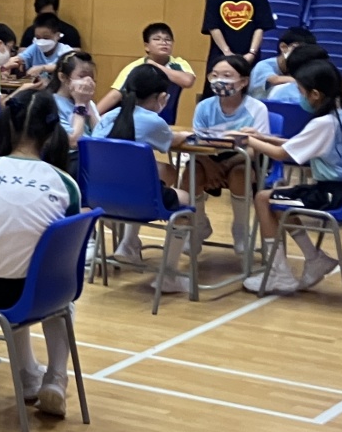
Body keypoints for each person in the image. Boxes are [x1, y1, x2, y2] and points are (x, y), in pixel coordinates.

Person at [0, 91, 84, 418]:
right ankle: (56, 377)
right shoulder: (65, 183)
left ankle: (26, 375)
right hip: (43, 294)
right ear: (52, 132)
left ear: (6, 124)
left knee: (6, 265)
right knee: (54, 293)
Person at [240, 61, 342, 296]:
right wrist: (263, 137)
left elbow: (281, 154)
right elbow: (297, 144)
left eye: (301, 91)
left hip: (333, 193)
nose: (300, 97)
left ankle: (279, 273)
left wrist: (247, 140)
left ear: (315, 94)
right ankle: (313, 257)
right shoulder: (340, 114)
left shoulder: (323, 123)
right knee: (281, 200)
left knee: (263, 199)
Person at [91, 62, 190, 279]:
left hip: (99, 197)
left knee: (165, 171)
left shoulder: (107, 117)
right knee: (186, 200)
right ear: (161, 97)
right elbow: (171, 140)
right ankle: (170, 275)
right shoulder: (154, 121)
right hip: (137, 200)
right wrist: (182, 134)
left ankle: (129, 243)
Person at [190, 53, 271, 257]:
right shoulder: (204, 107)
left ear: (243, 81)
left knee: (240, 174)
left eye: (226, 76)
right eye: (215, 75)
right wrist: (210, 165)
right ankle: (198, 226)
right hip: (208, 157)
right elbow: (196, 143)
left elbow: (256, 149)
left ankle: (241, 231)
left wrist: (224, 166)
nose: (219, 80)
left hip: (241, 159)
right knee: (190, 174)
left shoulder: (257, 108)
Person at [201, 0, 274, 92]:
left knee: (248, 91)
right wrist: (227, 52)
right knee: (218, 91)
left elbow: (260, 27)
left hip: (249, 55)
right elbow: (213, 26)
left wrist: (251, 53)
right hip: (220, 54)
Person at [99, 23, 196, 113]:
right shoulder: (135, 67)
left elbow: (187, 81)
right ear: (146, 46)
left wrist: (155, 65)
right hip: (135, 117)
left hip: (165, 119)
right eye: (157, 39)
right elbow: (115, 95)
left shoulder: (178, 63)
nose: (163, 42)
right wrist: (94, 116)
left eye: (168, 39)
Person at [251, 25, 313, 101]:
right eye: (298, 50)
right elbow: (275, 80)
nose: (302, 54)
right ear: (283, 47)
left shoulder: (299, 68)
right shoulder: (263, 65)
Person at [52, 50, 101, 144]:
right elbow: (73, 142)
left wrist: (87, 103)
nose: (88, 82)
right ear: (63, 77)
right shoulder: (52, 104)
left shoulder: (89, 102)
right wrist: (80, 105)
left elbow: (101, 135)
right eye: (82, 76)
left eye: (91, 77)